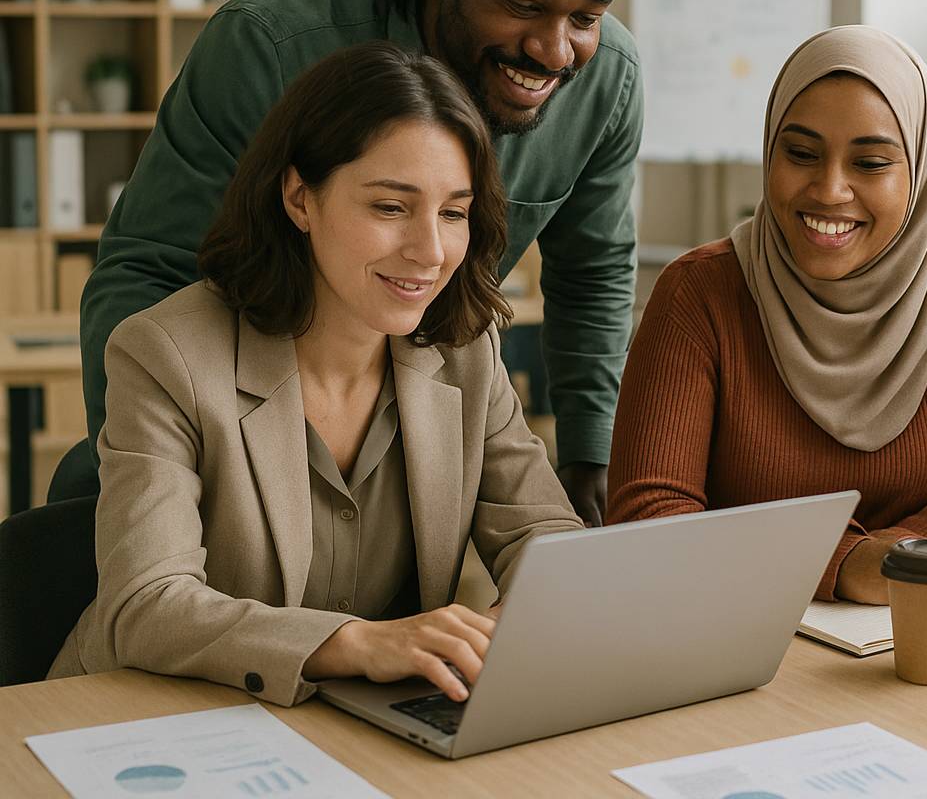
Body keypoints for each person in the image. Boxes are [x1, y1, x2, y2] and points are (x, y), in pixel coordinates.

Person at [62, 0, 641, 523]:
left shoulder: (606, 80)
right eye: (524, 4)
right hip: (215, 450)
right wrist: (161, 470)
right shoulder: (269, 47)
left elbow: (593, 274)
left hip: (390, 476)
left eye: (586, 18)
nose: (556, 50)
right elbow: (146, 273)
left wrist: (593, 457)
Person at [49, 42, 585, 706]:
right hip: (140, 720)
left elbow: (548, 536)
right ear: (300, 198)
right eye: (391, 207)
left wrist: (509, 632)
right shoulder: (165, 353)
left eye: (453, 212)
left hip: (342, 724)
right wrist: (357, 643)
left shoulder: (466, 348)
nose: (430, 250)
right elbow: (149, 604)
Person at [607, 26, 927, 602]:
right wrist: (841, 565)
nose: (830, 190)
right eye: (801, 154)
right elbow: (646, 515)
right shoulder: (700, 293)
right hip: (729, 629)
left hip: (922, 623)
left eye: (870, 163)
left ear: (921, 171)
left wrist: (890, 561)